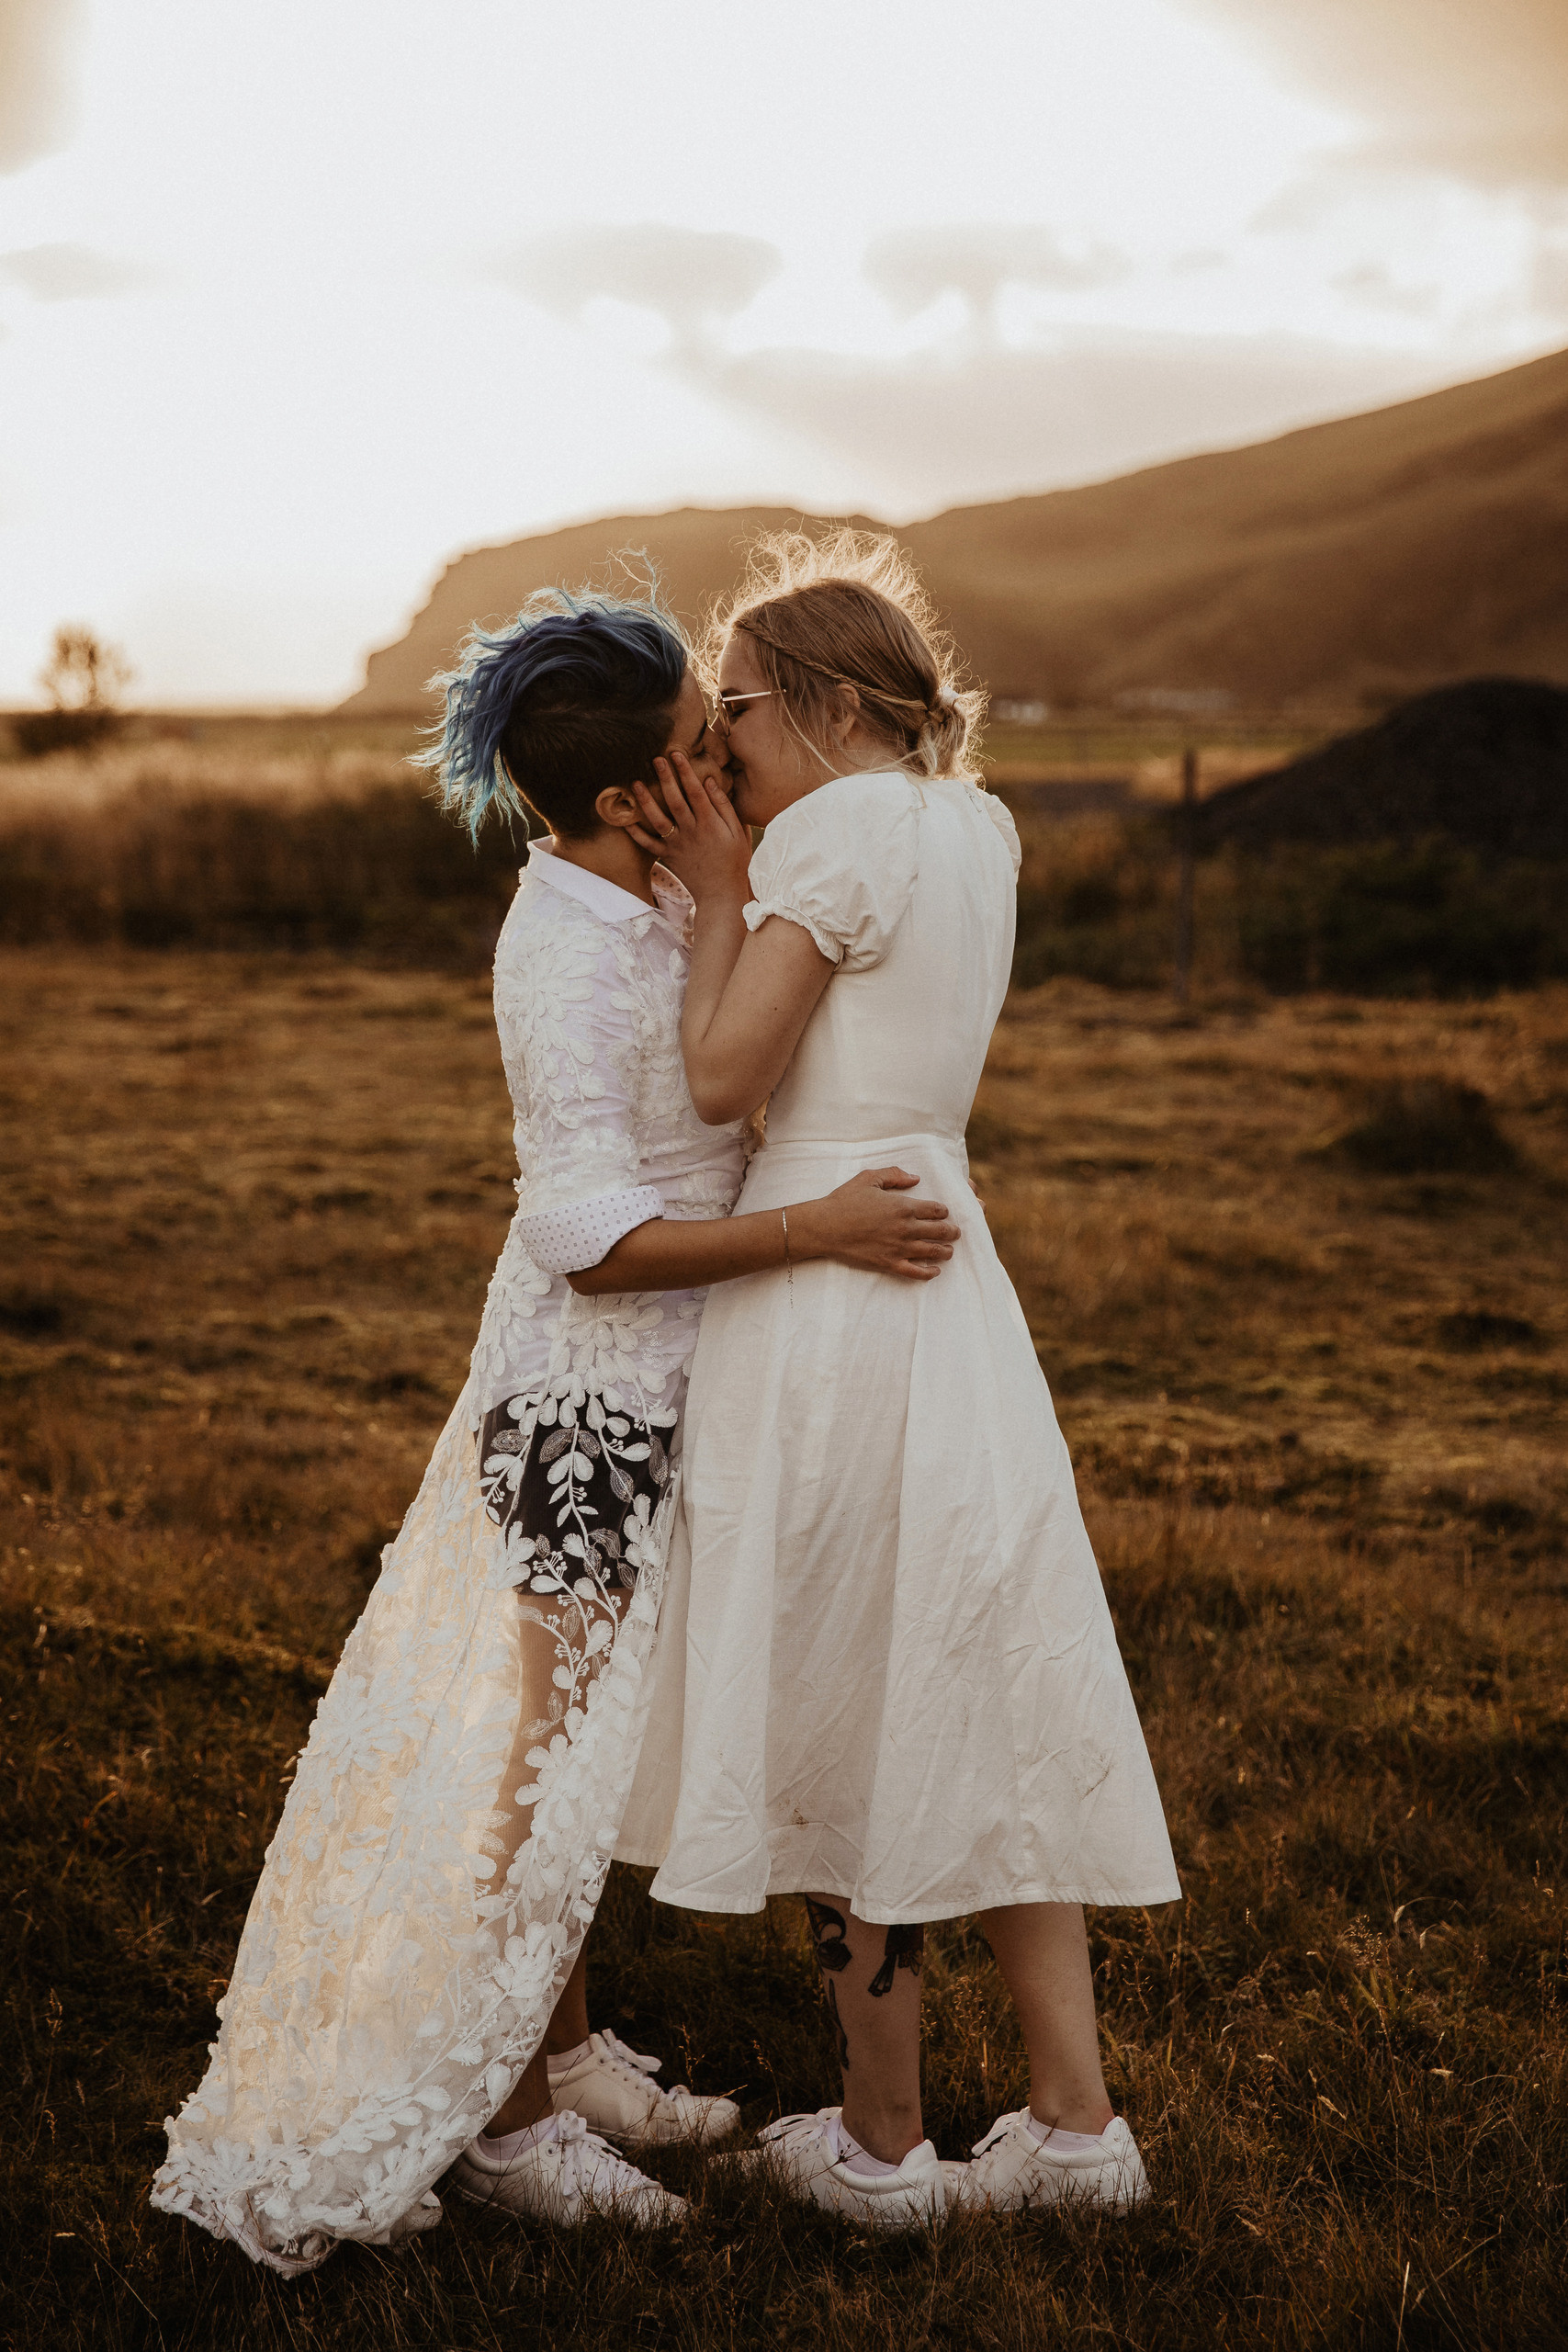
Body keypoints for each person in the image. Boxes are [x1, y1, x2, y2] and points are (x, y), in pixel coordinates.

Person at [151, 587, 959, 2273]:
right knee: (538, 1769)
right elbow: (587, 1237)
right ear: (622, 798)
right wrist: (808, 1233)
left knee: (583, 1753)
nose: (725, 763)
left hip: (688, 1387)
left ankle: (565, 2055)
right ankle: (511, 2130)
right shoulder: (561, 952)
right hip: (583, 1408)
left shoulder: (667, 885)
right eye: (696, 745)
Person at [624, 533, 1182, 2231]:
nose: (720, 756)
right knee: (982, 1670)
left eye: (729, 715)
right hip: (954, 1266)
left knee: (853, 1680)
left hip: (837, 1284)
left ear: (809, 700)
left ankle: (883, 2148)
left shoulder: (842, 829)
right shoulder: (977, 826)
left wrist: (721, 892)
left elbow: (727, 1079)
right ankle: (1079, 2130)